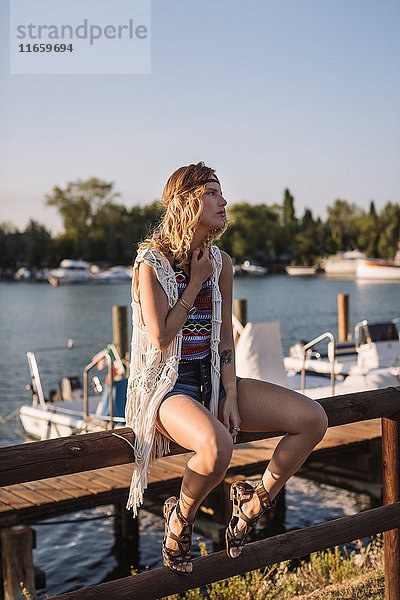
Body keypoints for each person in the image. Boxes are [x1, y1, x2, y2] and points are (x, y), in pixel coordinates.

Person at [125, 161, 328, 575]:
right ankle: (180, 518)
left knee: (313, 419)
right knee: (218, 448)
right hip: (168, 388)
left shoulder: (222, 263)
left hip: (215, 379)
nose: (224, 201)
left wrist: (231, 395)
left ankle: (252, 505)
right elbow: (162, 339)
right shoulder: (151, 263)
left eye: (221, 192)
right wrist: (196, 282)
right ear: (187, 201)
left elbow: (224, 338)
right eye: (213, 193)